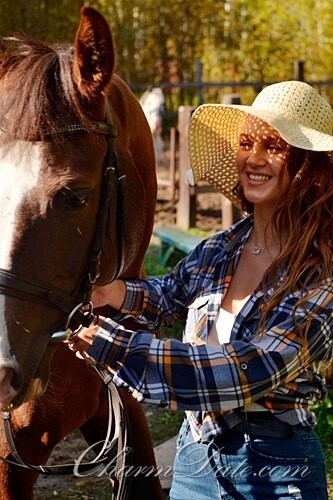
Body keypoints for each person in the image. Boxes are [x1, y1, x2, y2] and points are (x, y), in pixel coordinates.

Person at [68, 81, 333, 499]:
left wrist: (115, 347)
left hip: (277, 469)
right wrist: (109, 292)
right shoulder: (222, 247)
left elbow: (245, 371)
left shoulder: (321, 273)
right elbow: (170, 292)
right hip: (195, 458)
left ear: (307, 164)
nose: (254, 158)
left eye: (274, 146)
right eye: (247, 143)